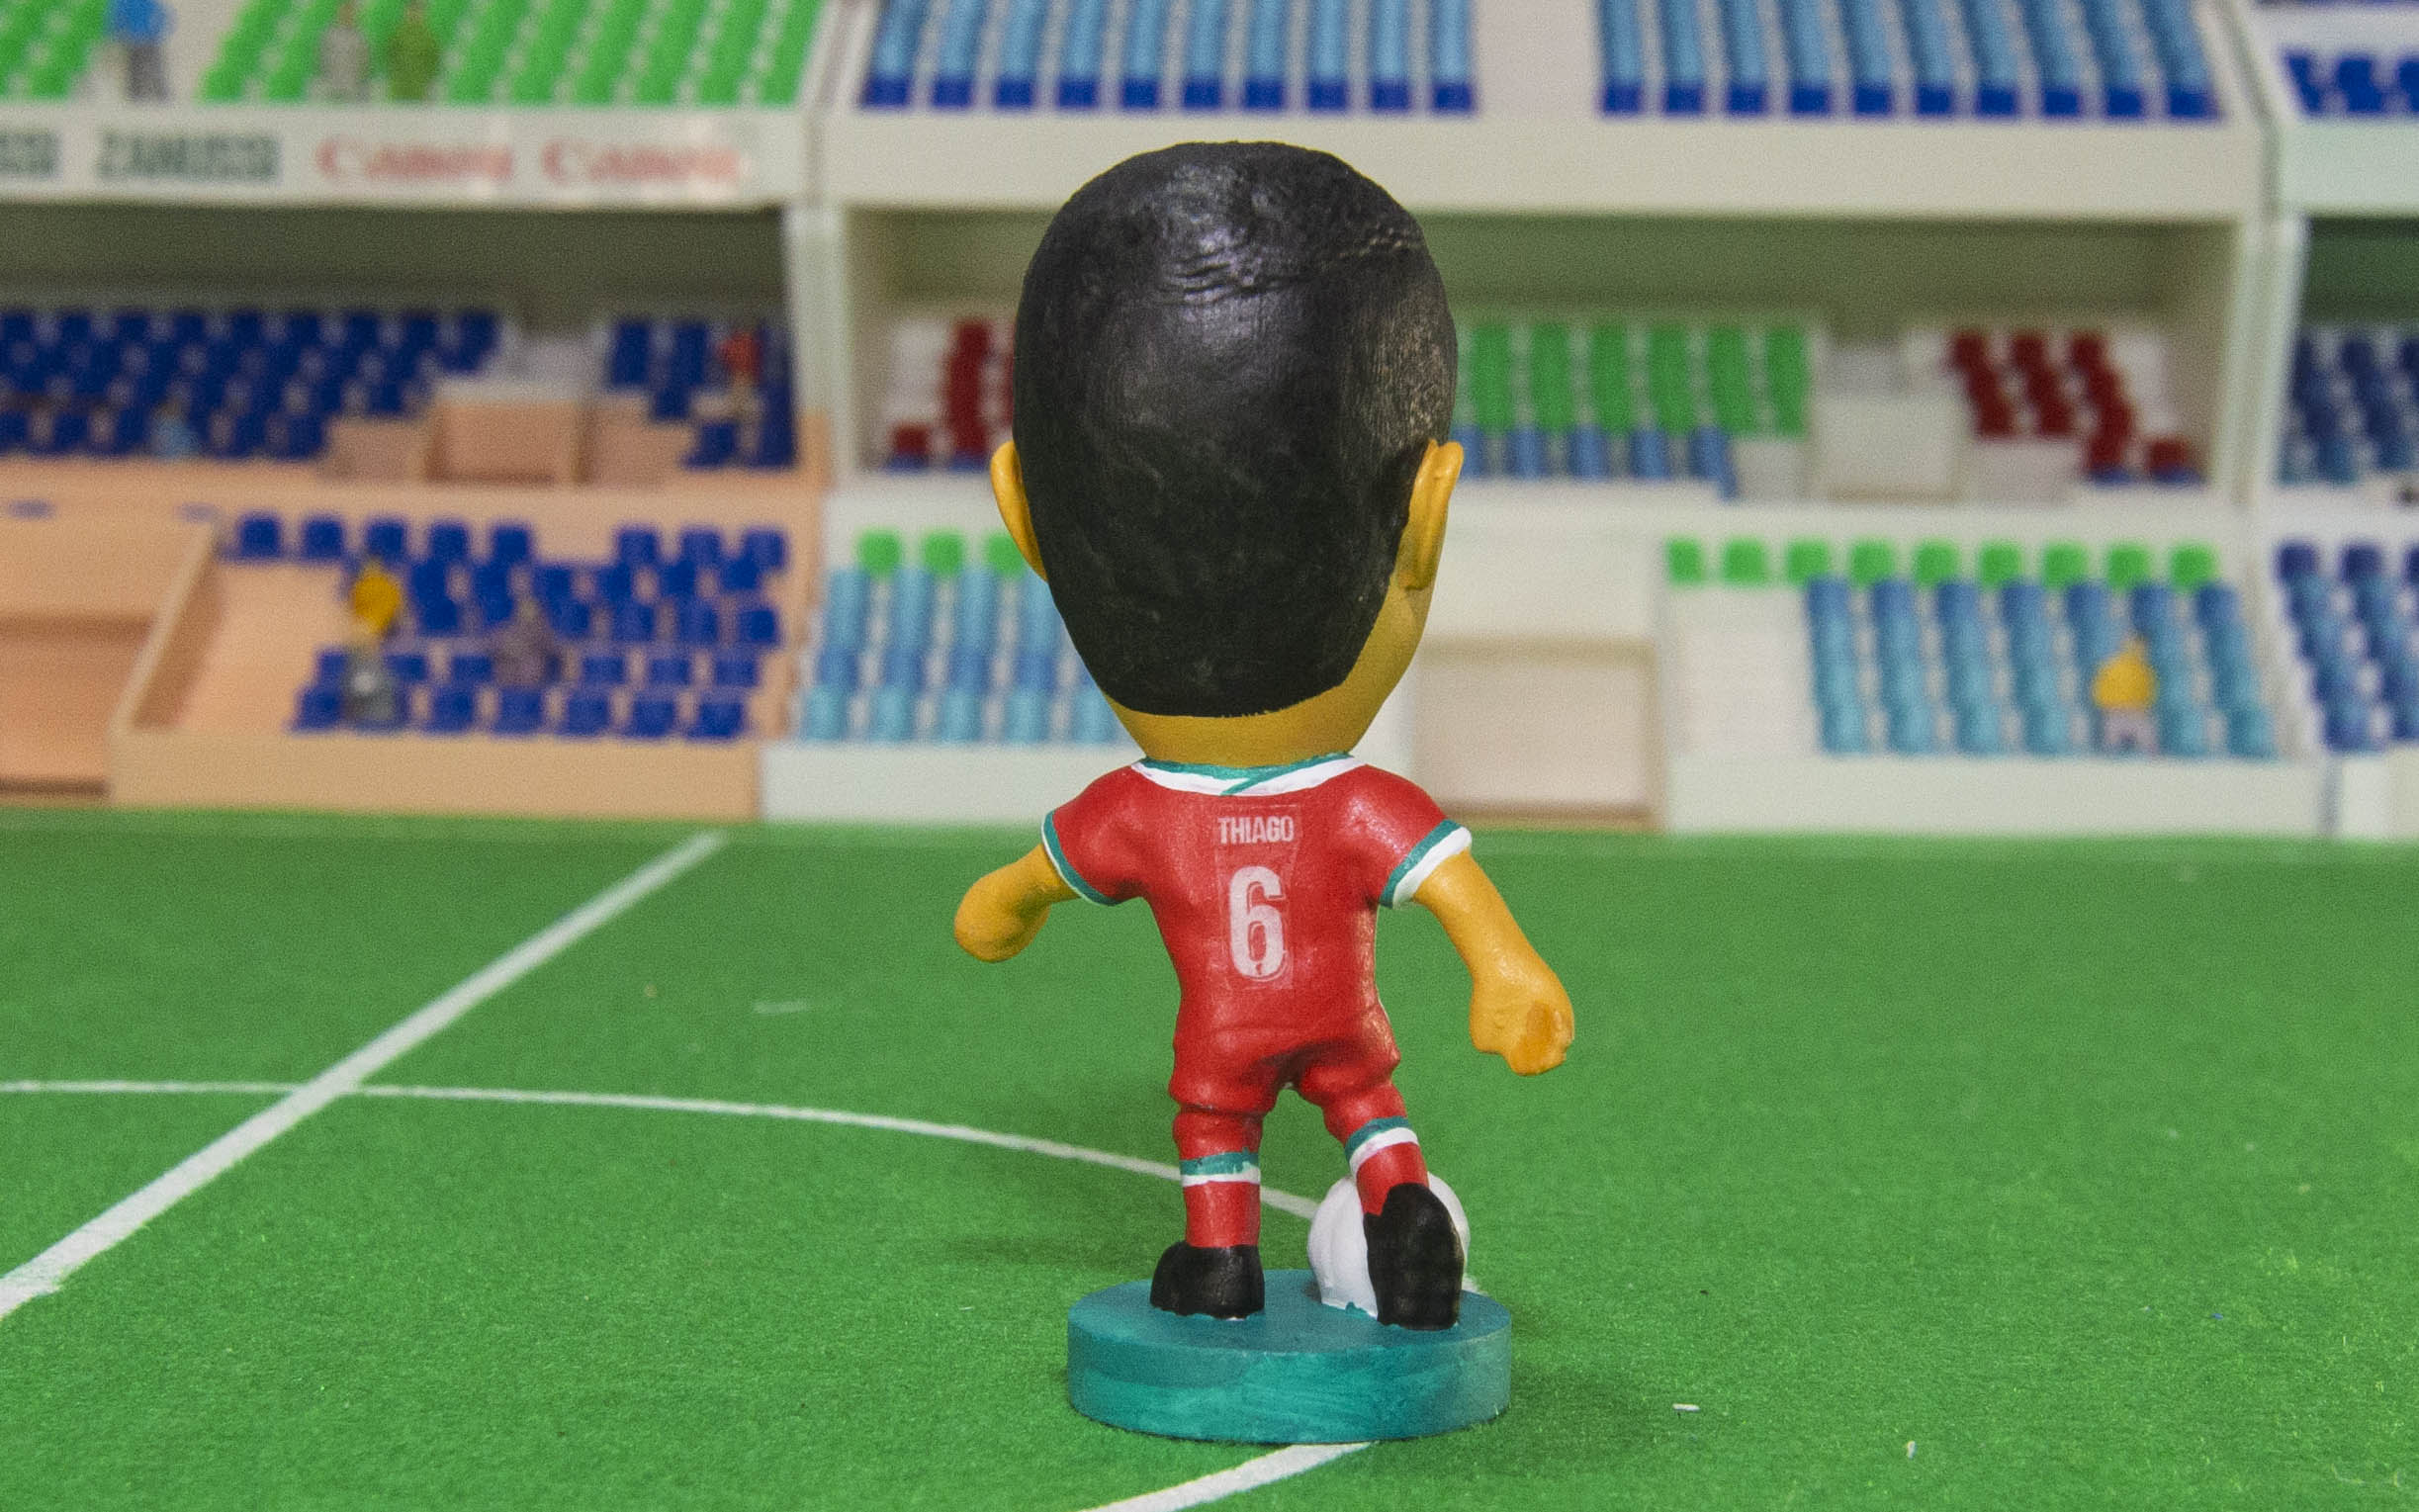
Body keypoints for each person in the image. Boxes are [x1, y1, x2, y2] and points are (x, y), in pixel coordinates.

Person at [951, 144, 1573, 1331]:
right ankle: (1395, 1194)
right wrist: (1506, 964)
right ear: (1424, 521)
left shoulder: (1141, 812)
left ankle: (1221, 1261)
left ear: (1026, 523)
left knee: (1213, 1121)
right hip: (1338, 1013)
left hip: (1223, 1027)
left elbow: (1035, 878)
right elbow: (1449, 881)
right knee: (1367, 1101)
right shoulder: (1354, 803)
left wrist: (1002, 900)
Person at [2093, 634, 2157, 754]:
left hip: (2137, 713)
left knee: (2149, 742)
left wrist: (2141, 708)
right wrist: (2108, 707)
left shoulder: (2146, 671)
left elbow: (2150, 693)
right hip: (2115, 712)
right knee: (2110, 743)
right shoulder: (2111, 667)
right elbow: (2099, 689)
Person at [489, 596, 560, 689]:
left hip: (538, 678)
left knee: (532, 662)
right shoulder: (508, 635)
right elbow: (495, 646)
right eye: (524, 619)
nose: (528, 626)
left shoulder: (544, 636)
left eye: (532, 620)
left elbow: (553, 648)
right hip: (510, 679)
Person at [107, 0, 171, 101]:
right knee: (149, 68)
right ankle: (156, 94)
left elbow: (118, 20)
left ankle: (140, 94)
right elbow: (162, 16)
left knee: (139, 68)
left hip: (138, 40)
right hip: (145, 40)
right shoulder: (144, 3)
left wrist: (118, 34)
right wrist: (157, 32)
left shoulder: (126, 3)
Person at [385, 0, 441, 102]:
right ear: (406, 12)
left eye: (417, 11)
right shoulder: (398, 36)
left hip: (420, 91)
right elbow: (390, 59)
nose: (414, 14)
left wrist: (427, 84)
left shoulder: (428, 39)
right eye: (411, 10)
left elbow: (433, 63)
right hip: (399, 91)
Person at [318, 0, 371, 100]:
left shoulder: (360, 38)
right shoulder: (330, 36)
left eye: (350, 11)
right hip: (332, 88)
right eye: (344, 11)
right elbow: (323, 60)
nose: (347, 14)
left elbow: (364, 62)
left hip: (354, 90)